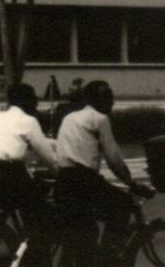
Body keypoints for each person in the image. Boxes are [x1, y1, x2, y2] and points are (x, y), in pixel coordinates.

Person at [55, 80, 151, 255]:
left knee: (82, 228)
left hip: (63, 181)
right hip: (85, 180)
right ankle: (109, 255)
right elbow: (114, 158)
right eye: (107, 98)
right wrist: (131, 183)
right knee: (123, 204)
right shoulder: (100, 119)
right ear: (94, 100)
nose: (112, 102)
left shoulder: (69, 118)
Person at [0, 83, 59, 213]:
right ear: (26, 101)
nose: (36, 103)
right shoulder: (28, 120)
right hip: (14, 178)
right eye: (34, 99)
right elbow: (45, 154)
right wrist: (60, 172)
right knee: (41, 208)